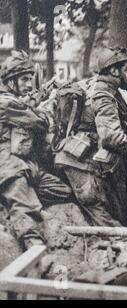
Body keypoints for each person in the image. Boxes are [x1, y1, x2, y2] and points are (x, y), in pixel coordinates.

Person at [55, 47, 127, 227]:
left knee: (116, 216)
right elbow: (110, 136)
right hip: (81, 167)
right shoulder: (103, 93)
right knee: (107, 223)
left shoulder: (101, 87)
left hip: (84, 163)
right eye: (126, 69)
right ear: (113, 70)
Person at [0, 50, 72, 250]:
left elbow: (28, 111)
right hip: (8, 167)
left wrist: (34, 101)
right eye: (24, 79)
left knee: (64, 191)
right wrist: (42, 108)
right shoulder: (5, 103)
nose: (29, 84)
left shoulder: (14, 101)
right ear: (10, 81)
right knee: (26, 210)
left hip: (27, 166)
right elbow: (40, 123)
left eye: (30, 79)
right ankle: (35, 252)